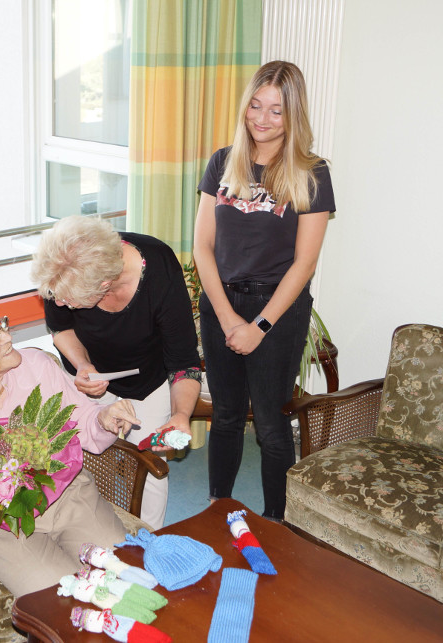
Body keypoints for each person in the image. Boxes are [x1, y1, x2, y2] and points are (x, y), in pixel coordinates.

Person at [0, 303, 141, 596]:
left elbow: (82, 418)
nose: (7, 337)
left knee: (119, 567)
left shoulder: (36, 365)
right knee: (57, 595)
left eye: (0, 325)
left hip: (66, 494)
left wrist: (103, 419)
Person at [192, 60, 336, 521]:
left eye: (276, 110)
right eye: (256, 105)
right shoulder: (222, 162)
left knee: (272, 426)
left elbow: (305, 263)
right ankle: (219, 508)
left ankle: (277, 521)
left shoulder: (312, 172)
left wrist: (260, 325)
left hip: (278, 308)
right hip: (221, 301)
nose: (262, 118)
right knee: (227, 415)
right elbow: (201, 246)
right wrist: (228, 317)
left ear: (293, 115)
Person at [29, 216, 202, 530]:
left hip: (147, 380)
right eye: (58, 298)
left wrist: (180, 415)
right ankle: (87, 533)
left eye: (70, 300)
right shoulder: (63, 271)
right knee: (80, 459)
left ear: (105, 286)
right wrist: (83, 366)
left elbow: (183, 362)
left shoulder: (159, 268)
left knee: (150, 466)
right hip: (87, 378)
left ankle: (147, 538)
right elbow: (61, 327)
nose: (61, 302)